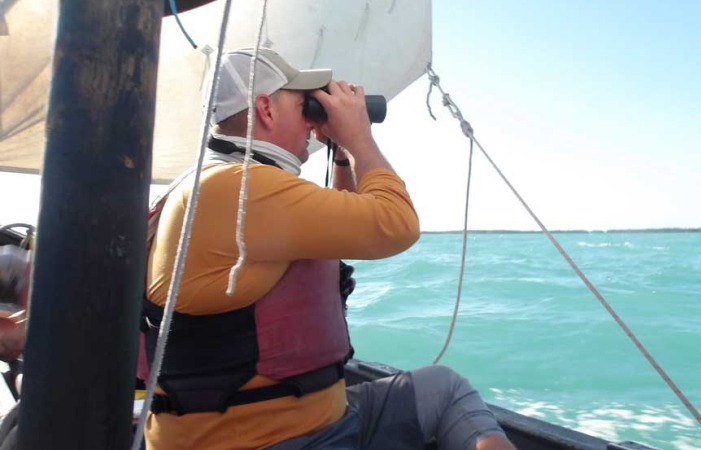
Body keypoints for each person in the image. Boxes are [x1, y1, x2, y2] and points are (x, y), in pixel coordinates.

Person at [139, 47, 515, 450]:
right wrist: (357, 137)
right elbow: (395, 225)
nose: (311, 118)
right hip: (273, 440)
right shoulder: (238, 188)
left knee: (442, 386)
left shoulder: (210, 185)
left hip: (292, 421)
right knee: (447, 393)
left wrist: (340, 155)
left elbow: (340, 232)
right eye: (306, 105)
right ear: (265, 109)